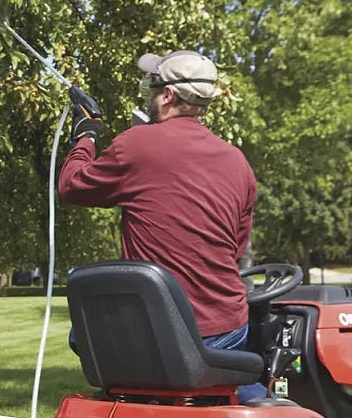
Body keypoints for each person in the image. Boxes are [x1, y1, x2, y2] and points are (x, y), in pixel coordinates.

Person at [59, 50, 257, 358]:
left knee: (80, 333)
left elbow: (71, 186)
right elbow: (235, 249)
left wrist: (85, 135)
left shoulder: (137, 144)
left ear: (167, 95)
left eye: (151, 86)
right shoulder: (238, 161)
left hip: (161, 327)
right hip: (228, 330)